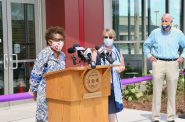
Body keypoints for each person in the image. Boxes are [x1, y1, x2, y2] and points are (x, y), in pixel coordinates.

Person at [143, 13, 185, 122]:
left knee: (172, 92)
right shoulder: (155, 33)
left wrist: (182, 57)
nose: (164, 23)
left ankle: (171, 117)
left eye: (166, 21)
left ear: (171, 22)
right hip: (158, 63)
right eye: (162, 20)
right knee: (157, 91)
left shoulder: (178, 33)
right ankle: (155, 117)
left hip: (172, 63)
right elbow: (146, 45)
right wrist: (149, 56)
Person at [29, 26, 66, 122]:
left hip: (59, 91)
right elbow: (36, 72)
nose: (60, 42)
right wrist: (34, 90)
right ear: (50, 42)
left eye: (62, 39)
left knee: (57, 117)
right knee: (44, 118)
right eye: (57, 40)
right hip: (45, 91)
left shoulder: (62, 55)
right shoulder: (44, 53)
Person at [92, 28, 125, 122]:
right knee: (101, 108)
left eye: (110, 37)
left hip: (114, 85)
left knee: (111, 109)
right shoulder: (97, 51)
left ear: (114, 38)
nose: (108, 39)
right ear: (103, 38)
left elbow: (122, 65)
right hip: (100, 84)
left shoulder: (117, 51)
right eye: (106, 37)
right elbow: (91, 67)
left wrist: (121, 68)